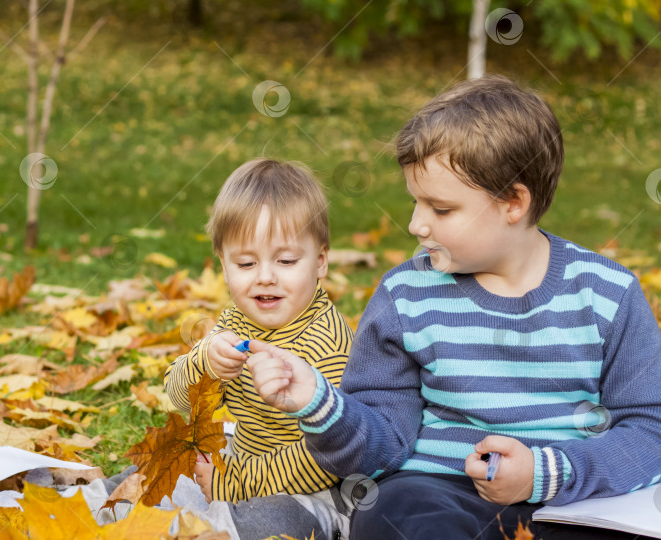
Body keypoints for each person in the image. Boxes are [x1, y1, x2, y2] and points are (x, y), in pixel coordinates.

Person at [246, 75, 661, 540]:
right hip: (440, 493)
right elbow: (380, 449)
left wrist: (548, 472)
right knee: (392, 511)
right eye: (415, 202)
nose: (416, 224)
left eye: (440, 210)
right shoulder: (406, 294)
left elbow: (650, 431)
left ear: (514, 203)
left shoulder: (608, 293)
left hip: (570, 501)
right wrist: (320, 405)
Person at [164, 158, 354, 539]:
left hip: (318, 491)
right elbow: (176, 397)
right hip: (242, 465)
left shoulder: (328, 343)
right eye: (246, 263)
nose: (266, 276)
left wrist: (233, 484)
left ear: (320, 261)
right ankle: (95, 505)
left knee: (272, 521)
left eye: (285, 260)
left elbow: (329, 456)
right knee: (162, 475)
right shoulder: (235, 321)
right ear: (224, 266)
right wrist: (206, 359)